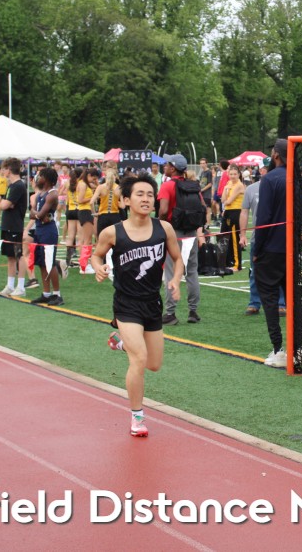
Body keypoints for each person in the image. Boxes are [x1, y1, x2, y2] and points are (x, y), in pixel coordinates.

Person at [93, 172, 183, 437]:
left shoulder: (164, 229)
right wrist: (98, 268)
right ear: (125, 201)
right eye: (140, 194)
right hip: (126, 304)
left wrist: (176, 280)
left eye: (150, 195)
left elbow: (177, 259)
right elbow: (96, 255)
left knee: (153, 364)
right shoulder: (112, 232)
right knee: (139, 359)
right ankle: (137, 418)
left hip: (152, 303)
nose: (146, 199)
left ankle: (121, 344)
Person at [254, 140, 291, 367]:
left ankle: (278, 350)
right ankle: (299, 349)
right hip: (292, 250)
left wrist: (256, 250)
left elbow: (264, 218)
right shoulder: (297, 178)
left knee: (269, 301)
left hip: (271, 250)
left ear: (276, 155)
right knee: (294, 300)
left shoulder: (270, 179)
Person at [158, 153, 202, 325]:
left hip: (173, 233)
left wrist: (159, 226)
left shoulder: (167, 185)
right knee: (192, 272)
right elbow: (202, 208)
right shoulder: (193, 185)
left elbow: (163, 210)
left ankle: (170, 313)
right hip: (191, 232)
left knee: (171, 272)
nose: (164, 166)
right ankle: (193, 311)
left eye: (167, 164)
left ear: (173, 168)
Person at [240, 160, 286, 315]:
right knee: (255, 271)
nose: (267, 171)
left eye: (269, 168)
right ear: (260, 171)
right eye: (265, 169)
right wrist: (242, 234)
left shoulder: (280, 185)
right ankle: (254, 302)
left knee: (279, 271)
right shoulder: (251, 189)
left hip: (277, 237)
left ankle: (281, 303)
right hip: (258, 237)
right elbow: (244, 212)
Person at [27, 167, 65, 305]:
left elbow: (39, 214)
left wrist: (36, 214)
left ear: (47, 179)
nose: (38, 178)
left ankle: (57, 294)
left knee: (50, 262)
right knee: (42, 263)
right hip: (39, 229)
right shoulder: (41, 194)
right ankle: (46, 293)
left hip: (48, 231)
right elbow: (34, 214)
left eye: (40, 175)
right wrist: (37, 214)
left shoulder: (52, 194)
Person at [0, 158, 29, 298]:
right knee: (10, 256)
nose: (2, 172)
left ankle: (20, 287)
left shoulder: (18, 186)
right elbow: (3, 204)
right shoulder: (11, 186)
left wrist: (5, 203)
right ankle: (10, 285)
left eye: (4, 169)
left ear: (9, 170)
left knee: (18, 255)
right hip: (7, 225)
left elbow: (4, 205)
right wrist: (5, 203)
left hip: (15, 226)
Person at [220, 163, 245, 270]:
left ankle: (237, 264)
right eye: (231, 174)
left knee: (235, 238)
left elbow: (228, 201)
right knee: (225, 237)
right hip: (228, 212)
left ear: (239, 174)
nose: (233, 176)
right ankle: (228, 261)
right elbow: (223, 200)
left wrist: (226, 199)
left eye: (235, 174)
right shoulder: (229, 183)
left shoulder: (239, 185)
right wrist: (225, 189)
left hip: (235, 212)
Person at [75, 167, 99, 274]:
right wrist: (93, 198)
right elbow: (80, 200)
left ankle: (85, 264)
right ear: (89, 176)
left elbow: (99, 188)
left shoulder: (86, 183)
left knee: (88, 239)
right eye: (94, 178)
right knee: (87, 240)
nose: (94, 180)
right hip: (84, 211)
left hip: (87, 211)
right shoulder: (83, 184)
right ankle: (84, 266)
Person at [198, 158, 213, 225]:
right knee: (203, 210)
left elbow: (210, 184)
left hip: (207, 194)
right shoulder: (202, 172)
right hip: (202, 194)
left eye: (204, 163)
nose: (202, 165)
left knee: (208, 210)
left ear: (206, 164)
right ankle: (204, 223)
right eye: (201, 163)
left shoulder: (208, 172)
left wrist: (202, 190)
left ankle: (208, 224)